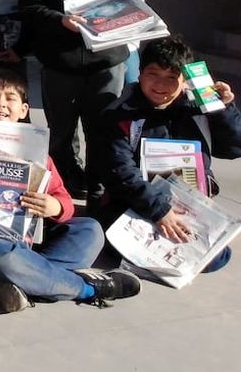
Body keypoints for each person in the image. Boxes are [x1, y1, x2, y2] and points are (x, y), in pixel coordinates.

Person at [0, 67, 139, 312]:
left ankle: (24, 280)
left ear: (24, 110)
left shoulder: (35, 149)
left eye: (10, 98)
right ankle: (87, 288)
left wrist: (53, 206)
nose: (0, 104)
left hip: (29, 240)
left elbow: (64, 203)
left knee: (90, 230)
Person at [94, 36, 240, 272]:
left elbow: (234, 147)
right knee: (113, 241)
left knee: (218, 258)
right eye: (153, 74)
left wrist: (222, 109)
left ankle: (149, 259)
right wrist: (159, 211)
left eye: (171, 77)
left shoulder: (198, 108)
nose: (161, 85)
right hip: (136, 202)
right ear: (140, 73)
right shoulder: (120, 112)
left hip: (188, 203)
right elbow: (119, 171)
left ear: (185, 81)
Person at [18, 0, 129, 199]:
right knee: (61, 133)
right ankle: (66, 186)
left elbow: (124, 2)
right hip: (60, 63)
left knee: (102, 129)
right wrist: (59, 20)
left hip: (106, 63)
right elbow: (28, 8)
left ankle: (99, 189)